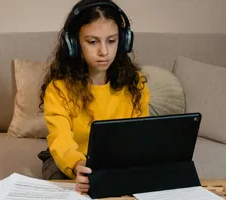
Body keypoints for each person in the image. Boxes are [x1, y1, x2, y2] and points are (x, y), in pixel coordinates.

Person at [37, 0, 150, 193]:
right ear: (73, 43)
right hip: (70, 160)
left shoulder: (135, 84)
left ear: (123, 42)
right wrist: (77, 166)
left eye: (111, 41)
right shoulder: (59, 88)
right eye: (92, 42)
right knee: (64, 181)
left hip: (116, 161)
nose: (104, 52)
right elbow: (60, 139)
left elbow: (139, 138)